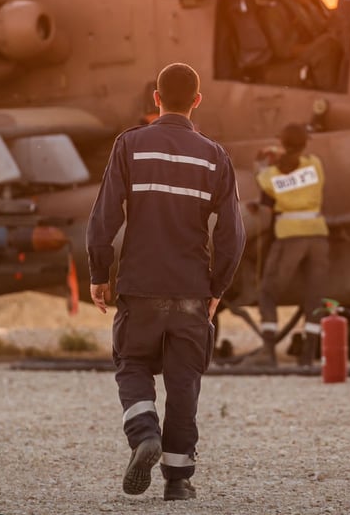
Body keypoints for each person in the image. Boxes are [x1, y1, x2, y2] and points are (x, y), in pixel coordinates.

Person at [86, 62, 246, 502]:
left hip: (140, 286)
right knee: (184, 381)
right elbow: (233, 234)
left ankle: (143, 436)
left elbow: (104, 218)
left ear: (155, 99)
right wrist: (217, 288)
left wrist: (99, 274)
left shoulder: (130, 146)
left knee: (132, 363)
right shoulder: (215, 157)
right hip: (192, 290)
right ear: (197, 100)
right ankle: (178, 480)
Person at [249, 122, 329, 367]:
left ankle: (269, 352)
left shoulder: (270, 177)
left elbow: (263, 178)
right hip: (318, 235)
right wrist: (283, 151)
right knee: (315, 296)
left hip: (290, 237)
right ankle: (308, 356)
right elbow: (297, 163)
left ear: (283, 145)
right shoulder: (315, 165)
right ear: (305, 144)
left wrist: (263, 159)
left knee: (268, 292)